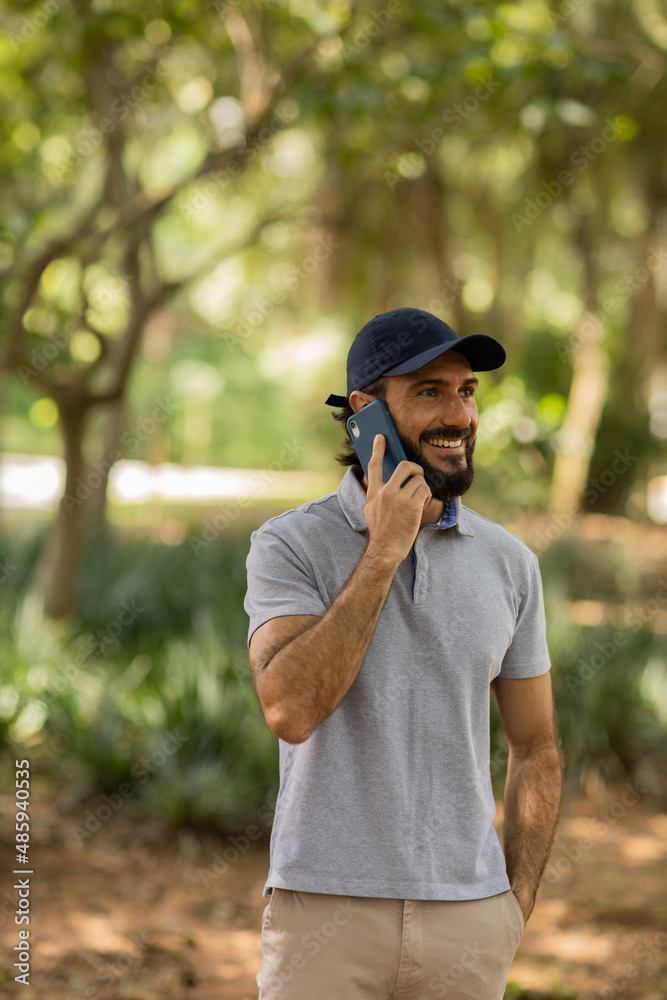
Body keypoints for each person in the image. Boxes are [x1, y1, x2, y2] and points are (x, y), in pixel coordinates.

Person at [243, 307, 563, 1000]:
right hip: (324, 910)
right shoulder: (290, 546)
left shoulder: (510, 564)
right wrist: (384, 548)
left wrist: (513, 906)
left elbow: (535, 746)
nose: (459, 415)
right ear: (365, 414)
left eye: (467, 391)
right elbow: (290, 709)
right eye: (428, 391)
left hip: (469, 919)